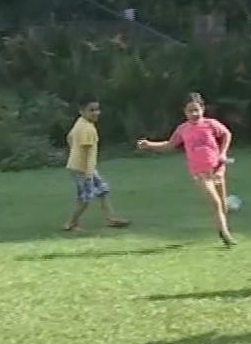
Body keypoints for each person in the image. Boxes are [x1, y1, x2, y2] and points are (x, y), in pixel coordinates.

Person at [136, 92, 234, 246]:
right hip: (200, 173)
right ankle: (225, 234)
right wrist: (149, 145)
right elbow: (169, 145)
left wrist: (222, 153)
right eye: (190, 111)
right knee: (215, 203)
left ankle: (223, 227)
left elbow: (226, 134)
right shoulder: (183, 129)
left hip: (217, 168)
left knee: (222, 204)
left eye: (197, 109)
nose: (194, 114)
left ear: (202, 109)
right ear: (185, 112)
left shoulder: (211, 124)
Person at [63, 99, 129, 232]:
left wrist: (74, 152)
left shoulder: (81, 123)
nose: (96, 113)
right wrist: (88, 172)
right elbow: (87, 152)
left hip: (85, 167)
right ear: (82, 111)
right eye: (91, 110)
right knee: (85, 198)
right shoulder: (87, 128)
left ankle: (111, 218)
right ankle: (70, 223)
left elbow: (69, 137)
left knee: (102, 190)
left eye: (97, 109)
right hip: (82, 168)